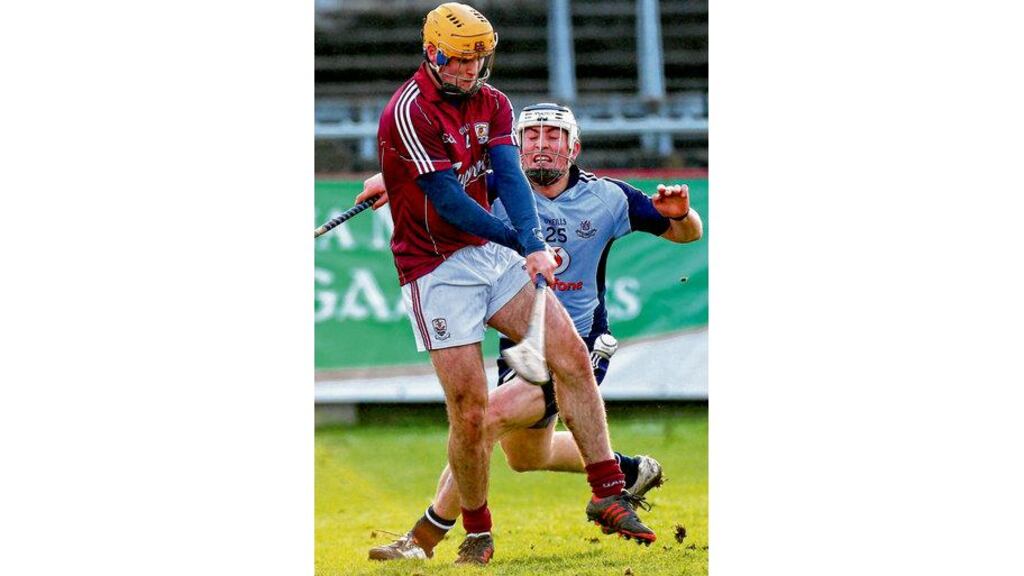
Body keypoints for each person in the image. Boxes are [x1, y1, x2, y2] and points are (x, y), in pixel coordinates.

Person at [372, 3, 655, 565]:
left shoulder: (494, 102)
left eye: (480, 58)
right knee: (472, 411)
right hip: (434, 267)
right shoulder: (408, 111)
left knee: (570, 353)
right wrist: (521, 241)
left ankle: (608, 492)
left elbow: (507, 174)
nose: (470, 70)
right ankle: (476, 532)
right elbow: (450, 203)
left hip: (486, 254)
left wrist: (525, 240)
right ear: (432, 53)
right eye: (459, 59)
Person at [361, 102, 704, 561]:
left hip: (578, 342)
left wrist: (681, 215)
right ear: (516, 147)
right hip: (519, 346)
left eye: (554, 136)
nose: (543, 145)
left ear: (573, 147)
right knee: (526, 456)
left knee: (484, 419)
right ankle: (628, 469)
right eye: (533, 136)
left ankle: (424, 537)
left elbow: (688, 236)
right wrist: (397, 181)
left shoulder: (609, 197)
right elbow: (437, 182)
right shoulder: (494, 191)